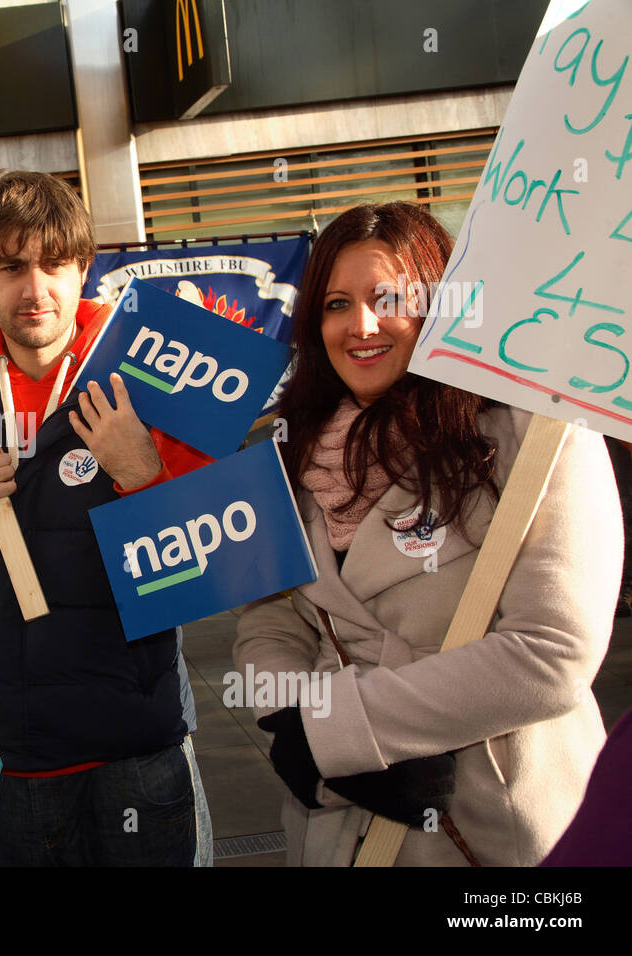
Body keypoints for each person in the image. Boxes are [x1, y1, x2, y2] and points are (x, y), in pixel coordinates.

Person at [233, 202, 619, 866]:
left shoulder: (533, 431)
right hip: (339, 828)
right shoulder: (287, 451)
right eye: (335, 303)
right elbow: (269, 622)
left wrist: (340, 729)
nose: (361, 326)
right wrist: (303, 733)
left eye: (389, 298)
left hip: (494, 824)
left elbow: (552, 650)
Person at [0, 170, 214, 866]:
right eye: (11, 267)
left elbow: (204, 571)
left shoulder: (150, 371)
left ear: (84, 268)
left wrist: (142, 474)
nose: (35, 289)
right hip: (0, 755)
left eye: (55, 263)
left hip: (131, 750)